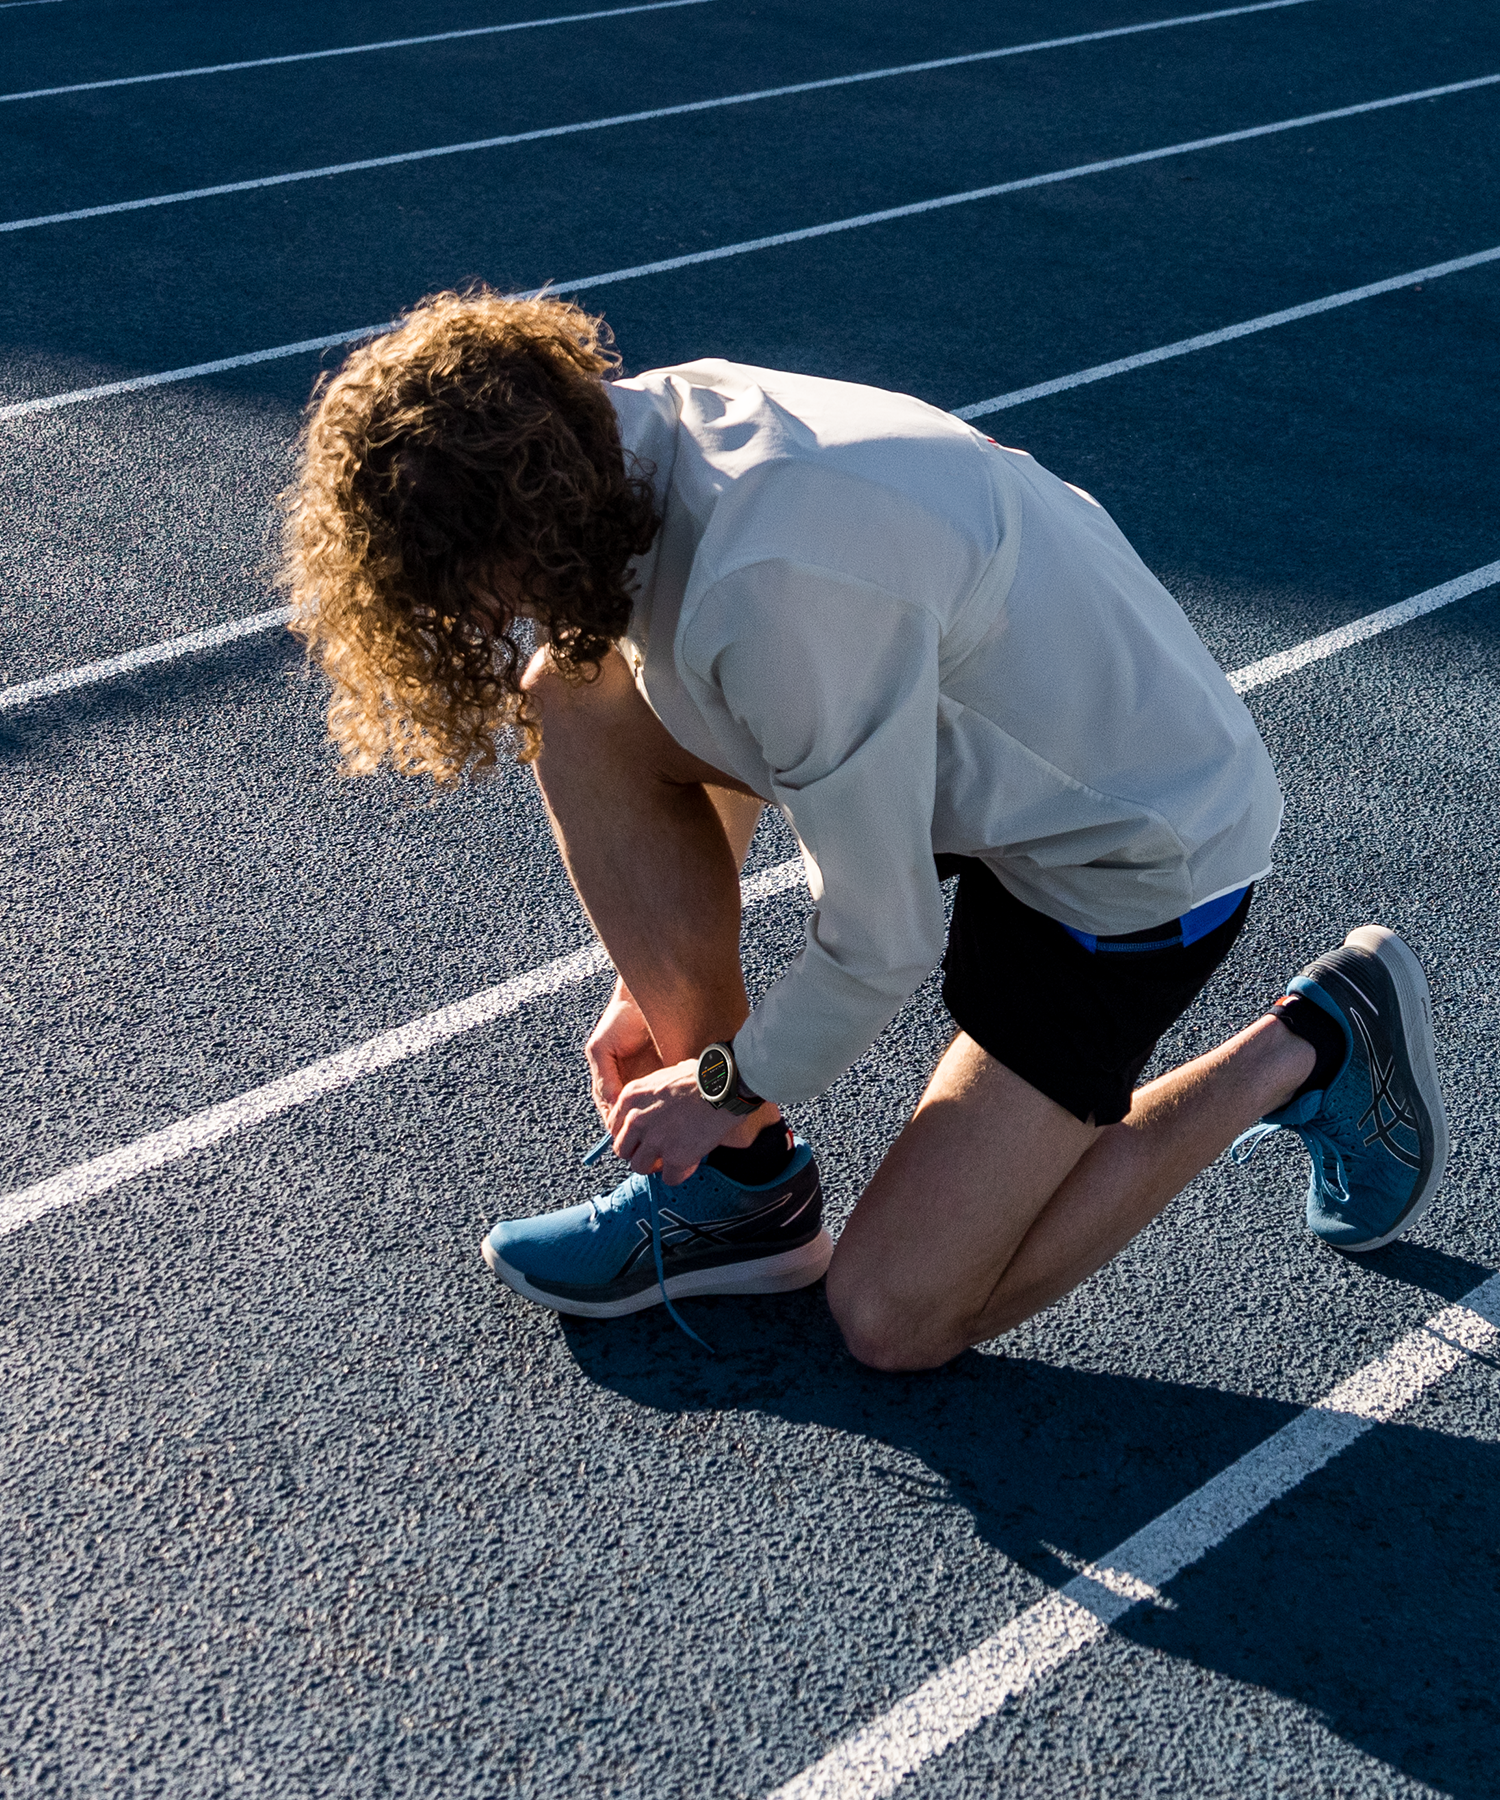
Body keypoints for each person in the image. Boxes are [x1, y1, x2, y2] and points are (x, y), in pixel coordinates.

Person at [280, 288, 1448, 1369]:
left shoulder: (769, 579)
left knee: (895, 1316)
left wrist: (718, 1079)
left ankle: (1317, 1042)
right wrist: (660, 977)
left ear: (518, 531)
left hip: (1131, 850)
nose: (471, 622)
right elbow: (722, 692)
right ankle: (740, 1194)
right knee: (578, 698)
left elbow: (881, 941)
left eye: (463, 591)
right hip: (979, 727)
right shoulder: (622, 444)